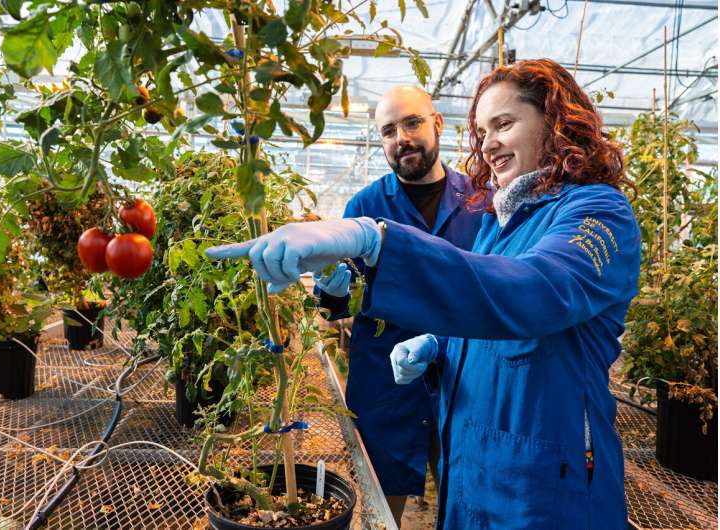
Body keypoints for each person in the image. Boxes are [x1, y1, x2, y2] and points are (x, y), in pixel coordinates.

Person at [207, 59, 640, 529]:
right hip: (468, 456)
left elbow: (533, 289)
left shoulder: (598, 211)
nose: (489, 141)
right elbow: (474, 314)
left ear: (556, 122)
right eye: (482, 130)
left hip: (545, 478)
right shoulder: (499, 221)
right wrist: (438, 345)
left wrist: (377, 241)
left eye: (505, 123)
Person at [312, 86, 484, 524]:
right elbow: (339, 302)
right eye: (388, 131)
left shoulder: (480, 203)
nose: (401, 138)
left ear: (437, 123)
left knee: (468, 494)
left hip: (465, 376)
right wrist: (331, 285)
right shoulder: (366, 207)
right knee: (382, 503)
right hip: (386, 381)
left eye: (412, 123)